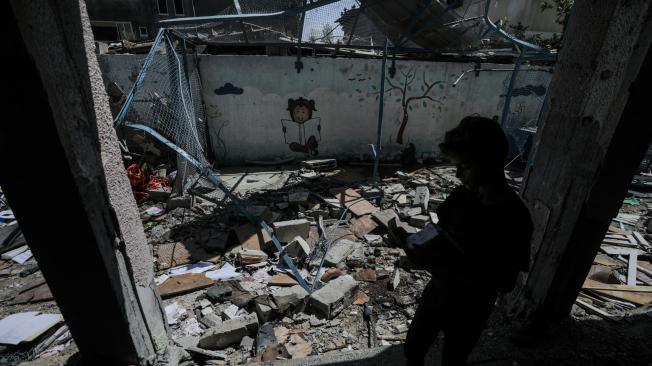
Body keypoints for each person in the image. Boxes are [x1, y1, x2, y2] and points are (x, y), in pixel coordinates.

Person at [390, 116, 533, 366]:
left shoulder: (515, 218)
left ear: (488, 164)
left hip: (472, 307)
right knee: (413, 348)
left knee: (454, 357)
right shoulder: (460, 197)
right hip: (437, 293)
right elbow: (438, 231)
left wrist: (454, 265)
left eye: (464, 166)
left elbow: (507, 282)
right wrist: (414, 241)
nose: (457, 174)